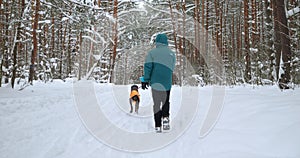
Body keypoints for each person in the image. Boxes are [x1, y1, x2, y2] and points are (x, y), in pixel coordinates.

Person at [141, 33, 176, 133]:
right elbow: (172, 67)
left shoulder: (152, 53)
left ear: (157, 42)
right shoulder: (171, 53)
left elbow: (148, 67)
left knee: (156, 103)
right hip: (167, 82)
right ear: (166, 42)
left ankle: (157, 125)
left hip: (155, 82)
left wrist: (146, 80)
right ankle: (165, 118)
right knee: (166, 101)